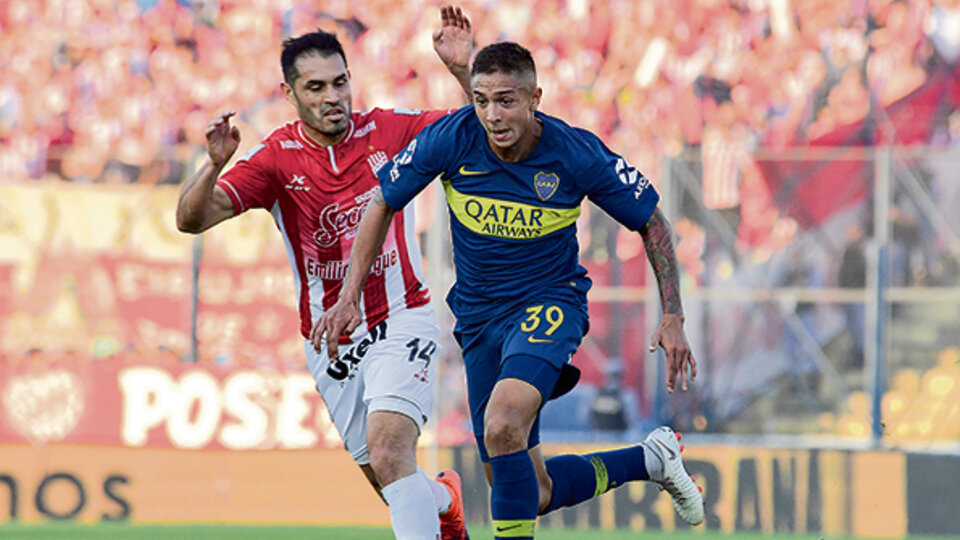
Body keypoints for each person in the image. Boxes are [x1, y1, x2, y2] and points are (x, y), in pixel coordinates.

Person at [316, 42, 704, 539]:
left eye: (506, 101)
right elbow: (381, 203)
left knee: (502, 425)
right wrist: (349, 295)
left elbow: (651, 222)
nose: (492, 116)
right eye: (480, 100)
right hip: (478, 321)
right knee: (525, 489)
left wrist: (673, 313)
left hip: (549, 304)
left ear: (535, 98)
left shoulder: (574, 153)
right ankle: (650, 459)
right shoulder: (452, 139)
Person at [175, 7, 474, 540]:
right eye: (315, 87)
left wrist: (462, 68)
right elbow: (191, 219)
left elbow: (479, 127)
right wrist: (214, 163)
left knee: (388, 450)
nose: (332, 96)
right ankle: (443, 502)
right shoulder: (275, 159)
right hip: (329, 340)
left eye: (340, 82)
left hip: (401, 313)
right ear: (290, 94)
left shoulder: (390, 129)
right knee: (389, 476)